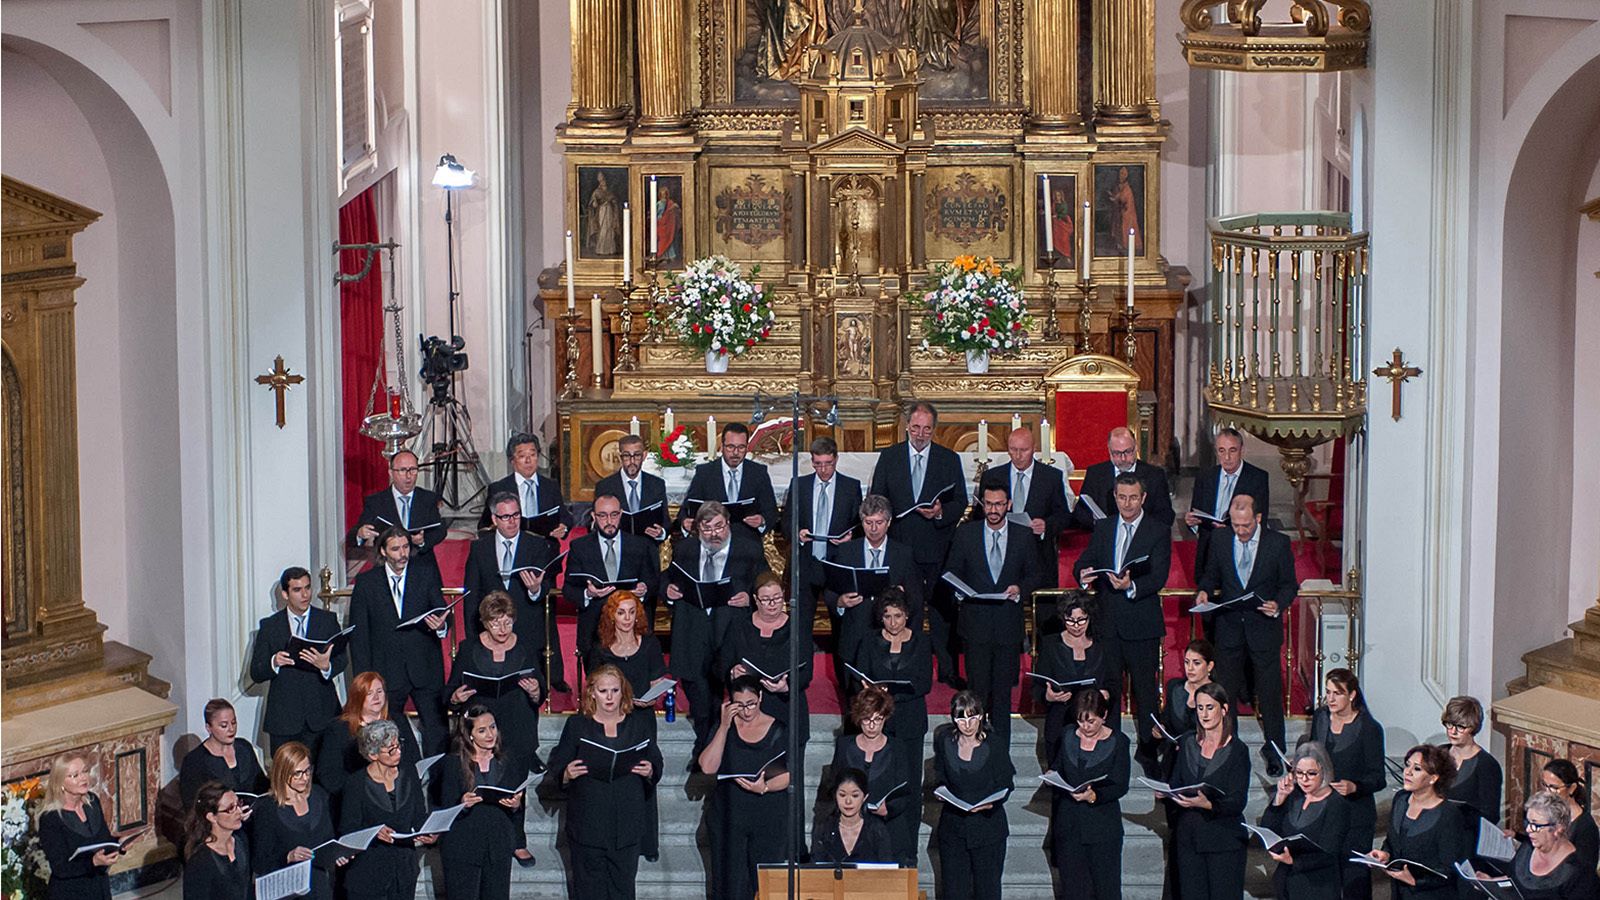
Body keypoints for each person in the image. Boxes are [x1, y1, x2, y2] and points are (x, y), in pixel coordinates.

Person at [1073, 472, 1173, 775]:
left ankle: (1148, 750)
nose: (1126, 503)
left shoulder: (1158, 530)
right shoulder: (1104, 527)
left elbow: (1159, 575)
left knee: (1145, 692)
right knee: (1108, 690)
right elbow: (1085, 559)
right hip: (1108, 623)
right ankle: (1111, 746)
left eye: (1132, 497)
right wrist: (1083, 574)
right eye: (1121, 497)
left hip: (1141, 623)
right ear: (1114, 498)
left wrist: (1131, 585)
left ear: (1143, 498)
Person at [1195, 494, 1300, 777]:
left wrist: (1278, 603)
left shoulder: (1277, 544)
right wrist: (1204, 590)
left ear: (1258, 519)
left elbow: (1289, 584)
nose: (1240, 531)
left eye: (1245, 526)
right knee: (1226, 692)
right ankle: (1229, 749)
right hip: (1229, 628)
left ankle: (1275, 750)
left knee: (1269, 694)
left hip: (1263, 628)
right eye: (1236, 525)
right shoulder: (1220, 540)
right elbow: (1210, 575)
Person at [870, 401, 969, 687]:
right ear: (906, 427)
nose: (921, 433)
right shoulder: (889, 457)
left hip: (937, 547)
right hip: (901, 548)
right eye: (916, 427)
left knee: (942, 614)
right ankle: (900, 666)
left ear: (934, 430)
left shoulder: (948, 459)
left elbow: (960, 501)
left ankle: (948, 671)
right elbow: (878, 497)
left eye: (926, 429)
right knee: (902, 609)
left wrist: (940, 512)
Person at [446, 591, 546, 866]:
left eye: (508, 622)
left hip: (517, 725)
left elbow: (541, 690)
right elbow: (451, 691)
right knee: (479, 783)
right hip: (481, 729)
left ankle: (517, 840)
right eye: (495, 623)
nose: (502, 629)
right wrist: (456, 697)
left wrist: (536, 690)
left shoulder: (524, 645)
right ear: (485, 623)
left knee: (514, 786)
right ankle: (481, 835)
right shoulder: (469, 648)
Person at [547, 666, 665, 899]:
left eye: (615, 690)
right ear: (592, 693)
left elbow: (656, 761)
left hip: (627, 824)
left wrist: (651, 770)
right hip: (588, 824)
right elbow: (558, 764)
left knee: (623, 889)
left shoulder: (637, 724)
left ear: (624, 692)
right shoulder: (578, 725)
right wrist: (566, 773)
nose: (609, 697)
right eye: (603, 691)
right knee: (589, 890)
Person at [666, 501, 766, 760]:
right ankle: (705, 748)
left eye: (719, 526)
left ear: (728, 523)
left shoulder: (748, 550)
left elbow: (766, 582)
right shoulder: (686, 548)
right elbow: (668, 577)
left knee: (734, 694)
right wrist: (668, 591)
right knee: (699, 699)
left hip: (731, 634)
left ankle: (730, 751)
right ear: (698, 528)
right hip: (694, 632)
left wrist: (750, 597)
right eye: (707, 528)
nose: (714, 534)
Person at [944, 482, 1041, 744]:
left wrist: (1019, 588)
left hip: (1008, 626)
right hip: (975, 625)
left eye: (999, 504)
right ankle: (975, 748)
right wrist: (960, 591)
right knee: (976, 693)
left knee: (1001, 695)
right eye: (988, 504)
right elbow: (952, 571)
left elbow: (1035, 574)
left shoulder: (1022, 535)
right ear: (981, 504)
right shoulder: (966, 534)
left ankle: (1000, 752)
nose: (993, 510)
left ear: (1009, 505)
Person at [347, 526, 451, 755]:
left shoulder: (425, 573)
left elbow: (443, 611)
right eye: (396, 549)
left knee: (437, 732)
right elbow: (359, 636)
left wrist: (442, 625)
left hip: (425, 667)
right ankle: (409, 777)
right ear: (383, 551)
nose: (403, 553)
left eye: (405, 547)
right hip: (386, 672)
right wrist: (364, 680)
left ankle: (438, 786)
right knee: (392, 731)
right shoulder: (366, 583)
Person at [848, 587, 932, 865]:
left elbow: (924, 682)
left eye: (898, 616)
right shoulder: (870, 641)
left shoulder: (920, 641)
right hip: (878, 723)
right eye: (887, 616)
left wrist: (892, 691)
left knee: (908, 786)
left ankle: (907, 850)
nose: (893, 622)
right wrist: (872, 690)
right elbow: (857, 679)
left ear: (907, 616)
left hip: (909, 722)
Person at [699, 675, 791, 900]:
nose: (747, 711)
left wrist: (764, 787)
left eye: (750, 703)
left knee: (764, 884)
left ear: (760, 698)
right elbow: (708, 767)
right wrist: (723, 726)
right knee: (730, 884)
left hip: (766, 816)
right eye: (740, 705)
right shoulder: (726, 727)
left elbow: (789, 776)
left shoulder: (778, 728)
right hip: (730, 818)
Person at [1299, 667, 1386, 900]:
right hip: (1325, 813)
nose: (1331, 698)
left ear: (1352, 695)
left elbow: (1378, 777)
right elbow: (1315, 754)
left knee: (1353, 881)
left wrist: (1355, 786)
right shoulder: (1320, 717)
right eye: (1328, 692)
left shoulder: (1369, 728)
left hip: (1355, 816)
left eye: (1337, 693)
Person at [1167, 683, 1252, 900]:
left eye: (1210, 707)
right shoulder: (1187, 742)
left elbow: (1237, 801)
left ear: (1223, 710)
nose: (1204, 714)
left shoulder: (1237, 750)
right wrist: (1169, 793)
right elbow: (1176, 781)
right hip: (1189, 839)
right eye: (1200, 708)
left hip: (1223, 839)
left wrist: (1208, 805)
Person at [463, 491, 561, 678]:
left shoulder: (537, 545)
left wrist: (535, 590)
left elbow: (545, 585)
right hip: (490, 631)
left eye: (516, 515)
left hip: (526, 630)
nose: (512, 521)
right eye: (506, 516)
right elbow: (472, 595)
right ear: (494, 518)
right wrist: (472, 636)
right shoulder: (479, 548)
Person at [824, 494, 922, 680]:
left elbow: (916, 599)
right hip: (855, 637)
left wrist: (902, 598)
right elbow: (830, 590)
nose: (874, 529)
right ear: (862, 522)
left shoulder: (903, 554)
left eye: (879, 522)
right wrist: (840, 602)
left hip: (890, 638)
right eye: (869, 523)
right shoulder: (846, 551)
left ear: (889, 522)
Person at [249, 566, 345, 754]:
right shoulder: (270, 626)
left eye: (307, 588)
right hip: (285, 720)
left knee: (325, 775)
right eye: (297, 590)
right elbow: (256, 672)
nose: (305, 595)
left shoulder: (327, 621)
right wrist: (274, 662)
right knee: (286, 777)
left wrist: (327, 666)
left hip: (322, 716)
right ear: (285, 594)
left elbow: (342, 659)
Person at [438, 706, 530, 900]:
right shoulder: (453, 763)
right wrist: (461, 802)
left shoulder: (508, 759)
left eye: (493, 727)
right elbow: (445, 806)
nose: (490, 734)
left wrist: (515, 805)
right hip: (463, 845)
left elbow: (518, 804)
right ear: (469, 735)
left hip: (498, 844)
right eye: (482, 730)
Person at [338, 719, 437, 900]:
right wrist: (374, 832)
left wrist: (430, 831)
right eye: (391, 749)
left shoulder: (409, 774)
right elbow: (347, 830)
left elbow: (418, 816)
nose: (398, 752)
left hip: (403, 872)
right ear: (373, 754)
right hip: (369, 874)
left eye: (398, 744)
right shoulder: (356, 784)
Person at [1046, 690, 1131, 900]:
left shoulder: (1118, 741)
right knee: (1073, 891)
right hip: (1069, 827)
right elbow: (1058, 766)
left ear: (1104, 715)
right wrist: (1051, 776)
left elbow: (1120, 785)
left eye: (1091, 721)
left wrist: (1094, 796)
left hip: (1102, 828)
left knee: (1106, 890)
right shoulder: (1067, 734)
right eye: (1080, 721)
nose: (1085, 727)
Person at [931, 691, 1015, 900]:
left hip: (988, 828)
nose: (967, 724)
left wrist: (990, 804)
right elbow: (940, 775)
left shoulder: (994, 744)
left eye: (972, 717)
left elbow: (1006, 783)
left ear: (982, 717)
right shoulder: (944, 740)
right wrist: (941, 791)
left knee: (987, 891)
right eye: (961, 718)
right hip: (953, 828)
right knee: (954, 891)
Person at [779, 435, 862, 628]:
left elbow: (858, 525)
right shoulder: (800, 485)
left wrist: (849, 538)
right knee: (801, 624)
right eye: (817, 464)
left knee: (841, 624)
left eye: (828, 464)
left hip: (836, 563)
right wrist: (798, 534)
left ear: (836, 459)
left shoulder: (850, 487)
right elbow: (786, 522)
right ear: (812, 460)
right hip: (807, 564)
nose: (823, 470)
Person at [566, 492, 659, 663]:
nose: (609, 521)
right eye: (602, 515)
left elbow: (653, 582)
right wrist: (588, 594)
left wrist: (643, 590)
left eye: (614, 515)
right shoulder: (580, 547)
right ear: (593, 516)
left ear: (621, 514)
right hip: (595, 631)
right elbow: (569, 589)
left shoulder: (639, 545)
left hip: (632, 629)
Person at [722, 572, 813, 744]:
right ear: (756, 599)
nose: (772, 604)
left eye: (777, 598)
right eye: (765, 599)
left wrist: (786, 687)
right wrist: (732, 672)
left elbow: (807, 672)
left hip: (787, 707)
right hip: (748, 708)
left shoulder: (798, 627)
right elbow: (722, 664)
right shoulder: (739, 626)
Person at [1367, 745, 1468, 899]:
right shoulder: (1400, 799)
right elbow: (1393, 841)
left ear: (1433, 778)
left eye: (1417, 769)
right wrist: (1385, 854)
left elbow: (1450, 869)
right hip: (1399, 891)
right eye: (1408, 765)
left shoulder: (1448, 814)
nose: (1408, 772)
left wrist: (1416, 881)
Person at [830, 687, 916, 867]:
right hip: (852, 831)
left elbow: (906, 790)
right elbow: (834, 783)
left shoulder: (897, 747)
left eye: (878, 719)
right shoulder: (844, 745)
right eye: (867, 719)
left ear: (885, 718)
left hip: (888, 830)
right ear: (859, 718)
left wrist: (889, 808)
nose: (872, 725)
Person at [978, 428, 1072, 591]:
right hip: (1001, 555)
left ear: (1034, 449)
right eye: (1013, 450)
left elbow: (1063, 515)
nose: (1018, 455)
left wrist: (1046, 525)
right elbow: (979, 514)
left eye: (1024, 450)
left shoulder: (1051, 477)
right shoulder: (992, 476)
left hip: (1039, 554)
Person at [1259, 741, 1352, 900]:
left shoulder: (1337, 804)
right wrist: (1279, 798)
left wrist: (1294, 861)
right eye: (1299, 773)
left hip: (1318, 887)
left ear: (1324, 771)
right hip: (1287, 883)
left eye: (1311, 773)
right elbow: (1268, 829)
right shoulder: (1293, 795)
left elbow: (1330, 852)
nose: (1304, 779)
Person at [250, 742, 338, 900]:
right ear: (283, 773)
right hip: (287, 890)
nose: (304, 778)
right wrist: (288, 856)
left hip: (319, 887)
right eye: (297, 773)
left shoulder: (319, 796)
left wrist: (336, 853)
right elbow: (260, 861)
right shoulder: (267, 809)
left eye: (307, 771)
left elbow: (328, 838)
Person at [314, 671, 420, 803]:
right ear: (357, 697)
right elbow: (328, 773)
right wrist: (355, 791)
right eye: (369, 693)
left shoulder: (398, 720)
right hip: (356, 798)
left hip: (399, 794)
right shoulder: (338, 728)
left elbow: (413, 757)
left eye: (379, 691)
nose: (376, 697)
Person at [1186, 427, 1270, 589]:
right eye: (1221, 451)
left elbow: (1260, 520)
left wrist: (1231, 529)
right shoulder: (1205, 476)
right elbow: (1197, 513)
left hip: (1239, 549)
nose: (1227, 457)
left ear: (1242, 450)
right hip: (1209, 549)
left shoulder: (1257, 478)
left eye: (1232, 451)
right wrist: (1192, 523)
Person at [1032, 591, 1114, 757]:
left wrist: (1106, 693)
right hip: (1060, 721)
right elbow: (1037, 688)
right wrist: (1049, 697)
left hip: (1092, 723)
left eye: (1081, 620)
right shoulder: (1050, 645)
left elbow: (1113, 682)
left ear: (1089, 617)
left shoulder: (1102, 644)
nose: (1076, 626)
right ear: (1063, 618)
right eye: (1070, 621)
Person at [675, 422, 779, 545]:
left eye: (741, 448)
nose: (735, 453)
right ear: (722, 446)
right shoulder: (705, 473)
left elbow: (771, 511)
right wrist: (685, 522)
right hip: (712, 540)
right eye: (730, 447)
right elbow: (686, 509)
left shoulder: (758, 473)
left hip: (747, 541)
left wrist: (762, 521)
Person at [346, 449, 446, 575]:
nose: (409, 476)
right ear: (391, 473)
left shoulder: (428, 499)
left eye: (413, 470)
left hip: (421, 566)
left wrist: (422, 541)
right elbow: (353, 536)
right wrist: (360, 534)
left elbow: (440, 530)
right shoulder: (376, 502)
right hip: (386, 567)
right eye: (403, 470)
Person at [36, 752, 120, 900]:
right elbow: (60, 868)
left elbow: (103, 839)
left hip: (99, 887)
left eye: (85, 771)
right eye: (75, 775)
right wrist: (93, 862)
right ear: (60, 782)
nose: (83, 778)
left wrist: (120, 844)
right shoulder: (51, 819)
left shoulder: (92, 802)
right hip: (70, 892)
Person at [1493, 790, 1600, 900]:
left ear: (1558, 828)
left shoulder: (1580, 872)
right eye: (1528, 823)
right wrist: (1490, 883)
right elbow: (1512, 880)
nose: (1529, 829)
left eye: (1536, 825)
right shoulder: (1527, 849)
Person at [1071, 426, 1174, 530]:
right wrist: (1097, 523)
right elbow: (1080, 512)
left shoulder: (1155, 475)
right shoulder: (1096, 473)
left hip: (1142, 538)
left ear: (1135, 447)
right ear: (1109, 451)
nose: (1123, 458)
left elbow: (1166, 515)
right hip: (1104, 538)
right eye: (1117, 453)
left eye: (1128, 452)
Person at [478, 432, 572, 541]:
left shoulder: (550, 486)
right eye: (522, 456)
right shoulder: (499, 488)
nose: (528, 461)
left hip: (545, 546)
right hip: (513, 547)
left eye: (532, 455)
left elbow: (565, 516)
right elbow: (484, 526)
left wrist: (563, 528)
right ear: (512, 460)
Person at [178, 698, 266, 807]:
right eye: (224, 725)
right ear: (208, 728)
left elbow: (262, 785)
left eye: (233, 723)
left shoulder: (244, 747)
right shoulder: (194, 761)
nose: (231, 729)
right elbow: (193, 805)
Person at [586, 590, 670, 704]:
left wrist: (651, 700)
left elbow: (657, 680)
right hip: (611, 710)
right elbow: (594, 685)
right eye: (621, 613)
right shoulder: (600, 648)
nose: (627, 618)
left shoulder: (650, 643)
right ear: (611, 616)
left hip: (642, 710)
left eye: (632, 612)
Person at [811, 768, 895, 866]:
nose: (848, 801)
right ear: (835, 795)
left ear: (865, 797)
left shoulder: (876, 829)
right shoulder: (824, 829)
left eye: (855, 796)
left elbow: (888, 872)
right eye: (842, 795)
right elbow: (815, 868)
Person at [594, 434, 669, 543]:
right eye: (626, 456)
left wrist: (661, 532)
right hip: (618, 546)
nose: (632, 461)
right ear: (620, 457)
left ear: (644, 456)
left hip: (647, 547)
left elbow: (666, 521)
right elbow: (595, 522)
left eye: (637, 455)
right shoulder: (605, 486)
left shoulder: (656, 484)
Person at [182, 782, 251, 900]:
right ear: (211, 817)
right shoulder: (201, 861)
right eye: (230, 808)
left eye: (238, 804)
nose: (239, 811)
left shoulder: (240, 842)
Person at [1441, 695, 1503, 825]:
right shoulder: (1438, 753)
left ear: (1473, 727)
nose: (1453, 731)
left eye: (1460, 727)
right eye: (1449, 724)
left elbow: (1490, 815)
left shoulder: (1486, 765)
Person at [1535, 759, 1598, 871]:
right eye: (1544, 785)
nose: (1547, 792)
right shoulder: (1547, 812)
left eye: (1554, 787)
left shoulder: (1584, 827)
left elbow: (1585, 870)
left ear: (1572, 788)